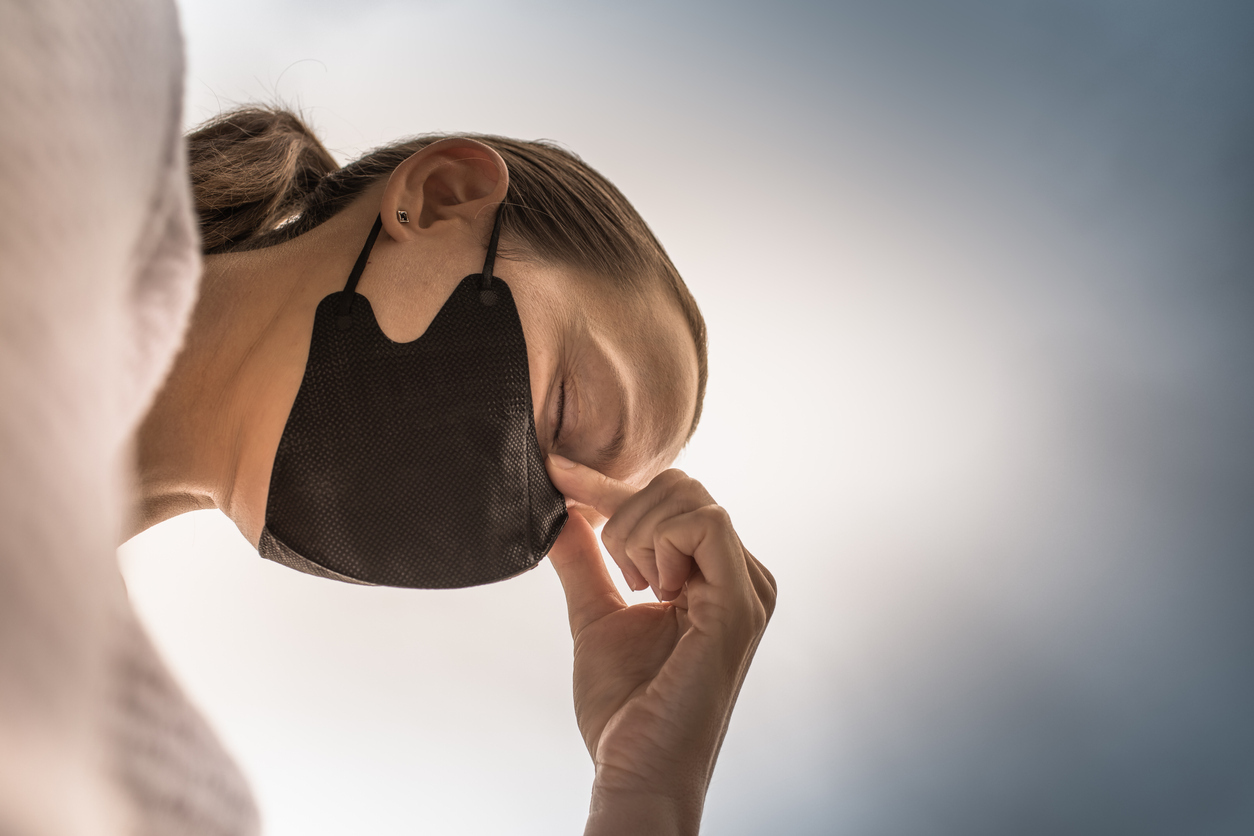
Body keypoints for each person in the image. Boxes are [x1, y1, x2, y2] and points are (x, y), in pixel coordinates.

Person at [0, 2, 774, 833]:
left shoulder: (120, 776)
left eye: (570, 513)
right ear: (439, 198)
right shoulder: (57, 70)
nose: (526, 509)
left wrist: (646, 792)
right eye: (567, 413)